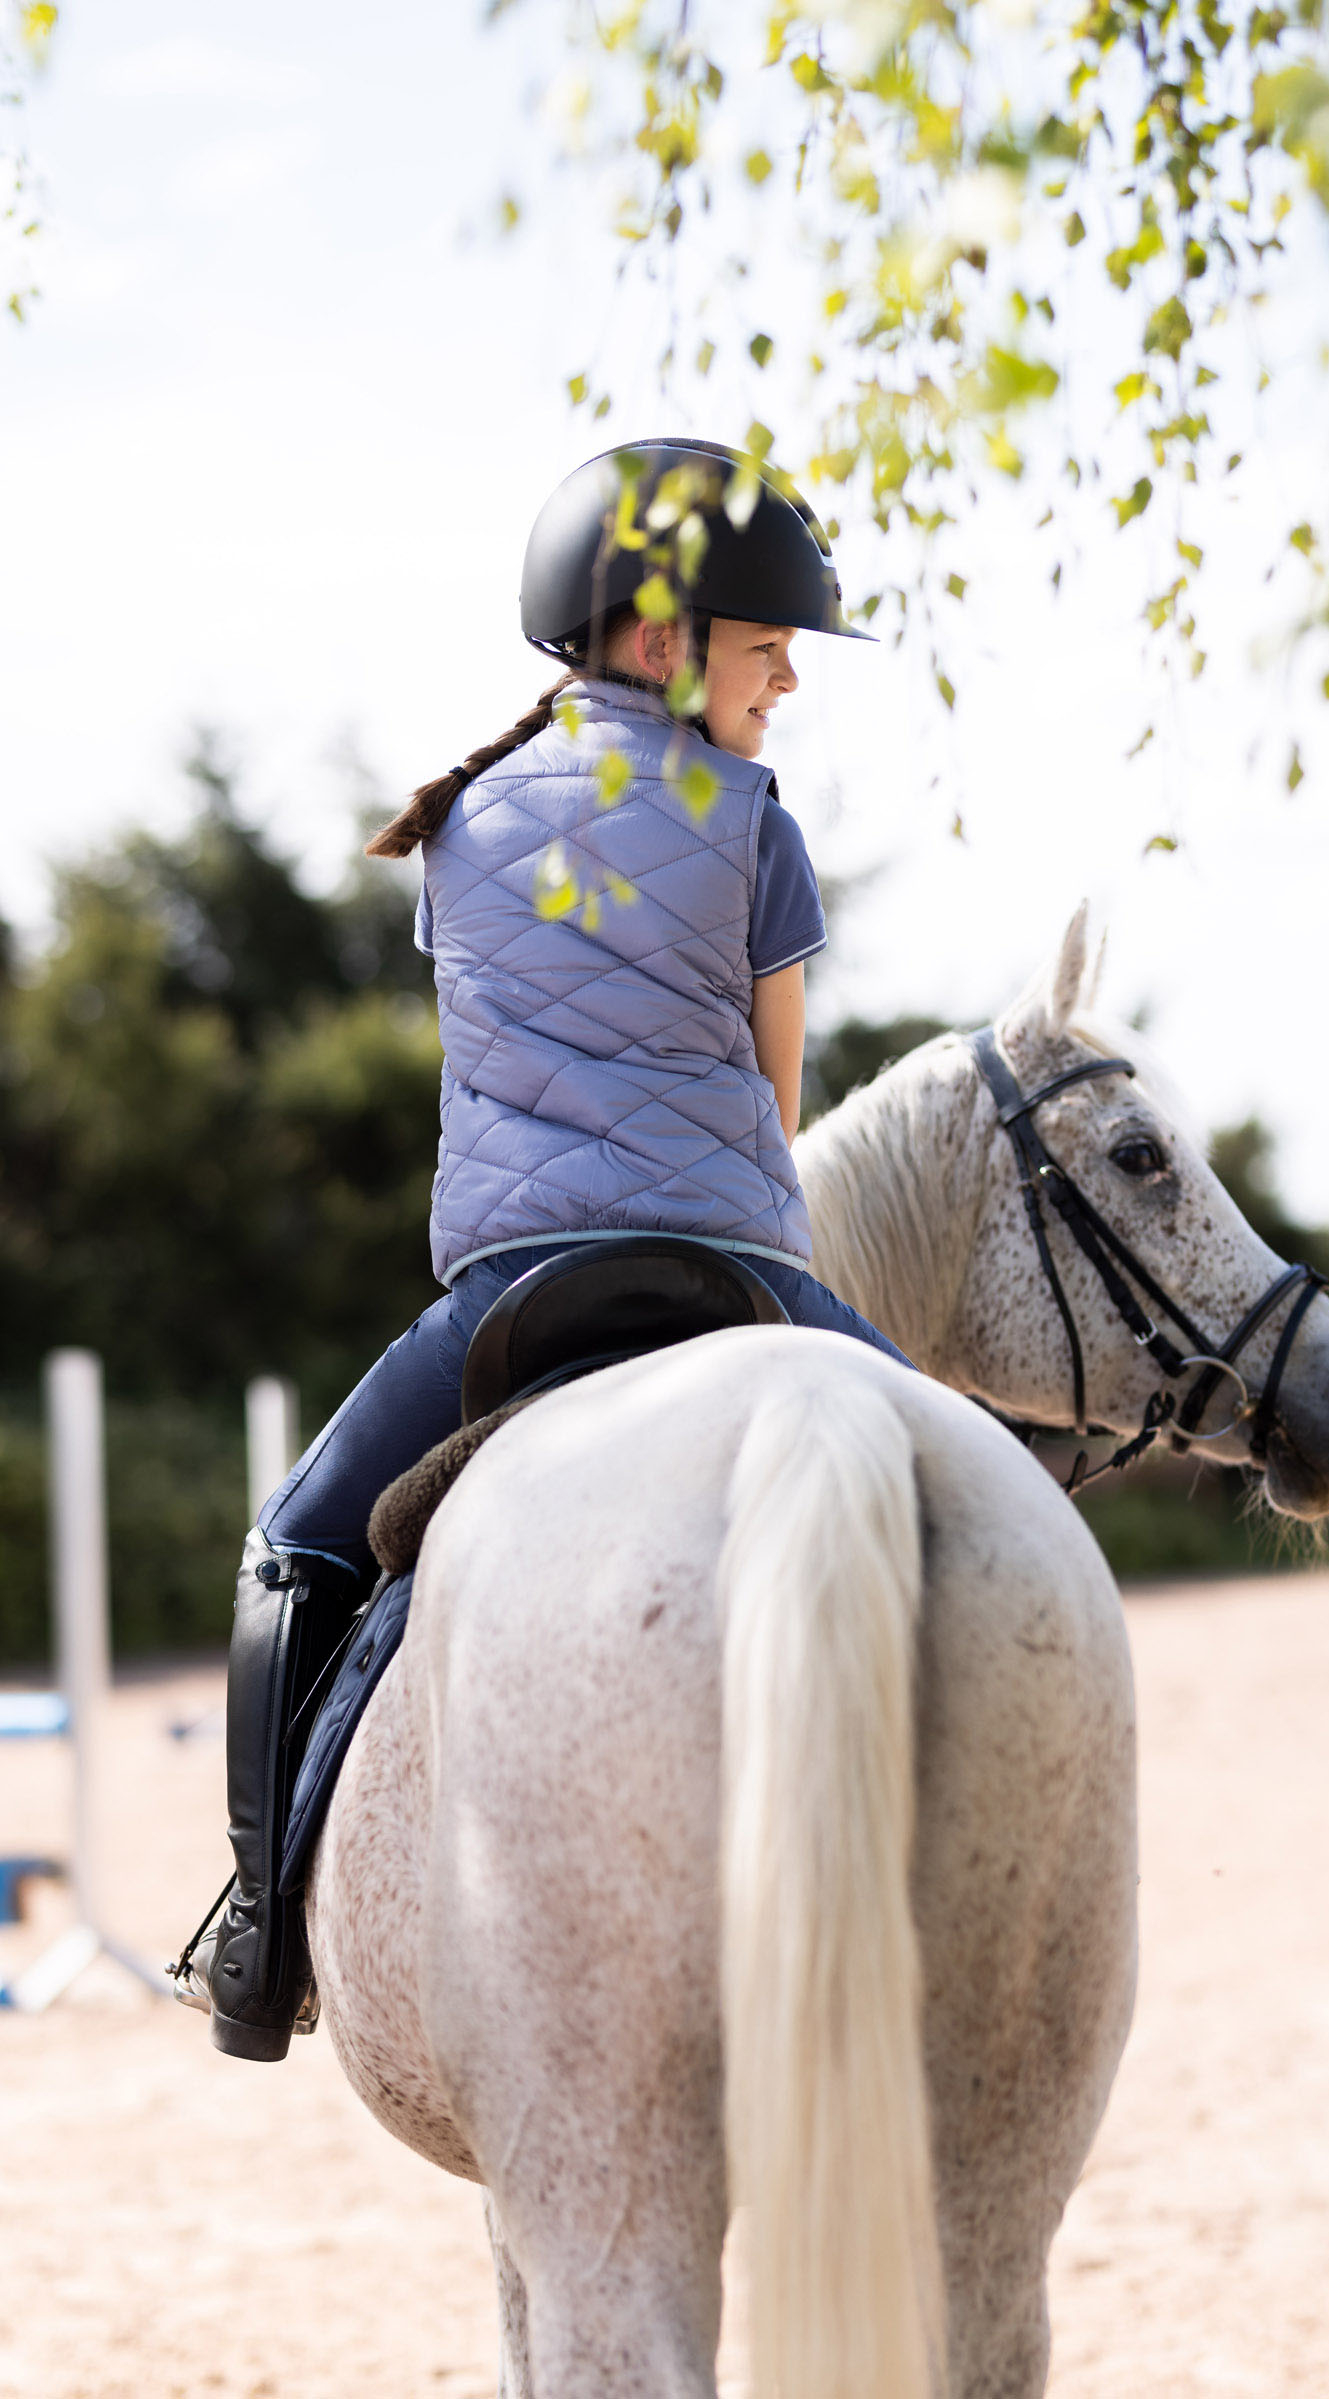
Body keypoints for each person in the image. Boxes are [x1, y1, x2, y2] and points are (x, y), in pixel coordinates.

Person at [173, 438, 910, 2060]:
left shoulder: (462, 823)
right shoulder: (754, 823)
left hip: (520, 1294)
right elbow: (777, 1107)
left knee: (296, 1549)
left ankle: (252, 1932)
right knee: (953, 1474)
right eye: (767, 646)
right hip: (746, 1278)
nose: (784, 682)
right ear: (662, 639)